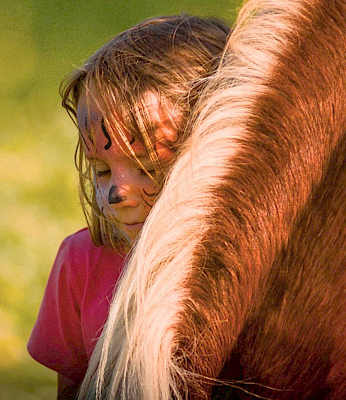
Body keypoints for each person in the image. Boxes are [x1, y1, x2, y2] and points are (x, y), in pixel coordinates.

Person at [27, 14, 229, 399]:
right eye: (102, 170)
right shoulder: (81, 263)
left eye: (147, 167)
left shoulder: (246, 265)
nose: (117, 194)